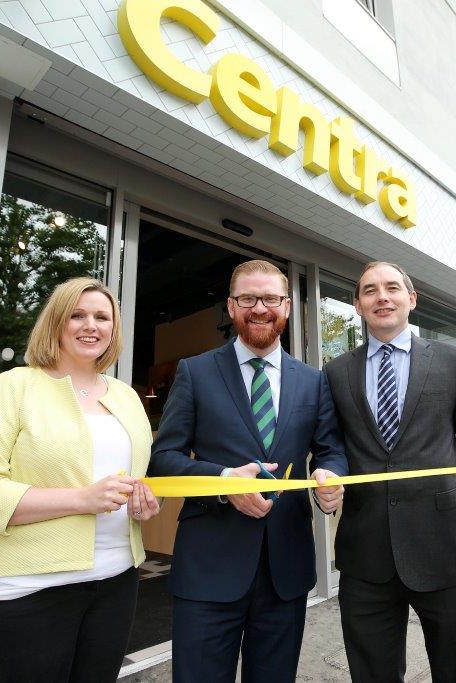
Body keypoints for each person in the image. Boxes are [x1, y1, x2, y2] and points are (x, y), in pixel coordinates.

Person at [148, 259, 347, 683]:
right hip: (208, 569)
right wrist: (223, 481)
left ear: (287, 306)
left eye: (270, 299)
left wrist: (330, 479)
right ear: (231, 306)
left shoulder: (313, 381)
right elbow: (163, 460)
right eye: (248, 299)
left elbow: (330, 451)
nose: (260, 308)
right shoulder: (195, 372)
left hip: (285, 571)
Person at [0, 277, 158, 682]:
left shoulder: (126, 397)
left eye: (102, 317)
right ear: (55, 322)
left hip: (117, 583)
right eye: (77, 315)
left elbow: (133, 482)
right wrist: (81, 499)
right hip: (27, 590)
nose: (91, 325)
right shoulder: (13, 387)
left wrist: (144, 503)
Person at [323, 261, 456, 682]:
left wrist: (442, 499)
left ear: (411, 299)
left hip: (443, 546)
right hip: (365, 555)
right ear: (358, 305)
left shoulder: (453, 359)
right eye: (370, 290)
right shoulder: (336, 372)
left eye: (392, 288)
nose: (382, 297)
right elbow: (331, 448)